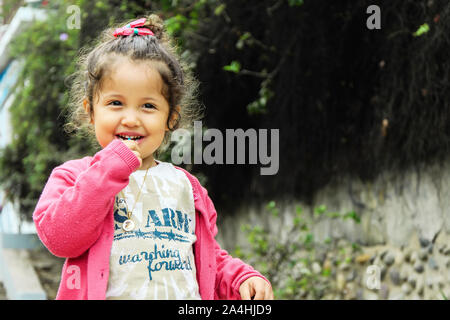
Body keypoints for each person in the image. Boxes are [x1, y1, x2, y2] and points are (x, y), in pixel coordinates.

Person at [32, 13, 273, 300]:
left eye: (148, 105)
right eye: (115, 103)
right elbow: (60, 239)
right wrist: (110, 168)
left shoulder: (188, 187)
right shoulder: (75, 176)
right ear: (90, 111)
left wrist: (239, 279)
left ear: (170, 118)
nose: (131, 119)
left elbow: (206, 258)